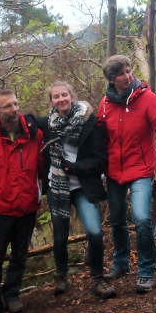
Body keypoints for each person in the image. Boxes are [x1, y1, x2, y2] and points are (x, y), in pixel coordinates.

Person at [97, 55, 156, 293]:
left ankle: (146, 270)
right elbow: (99, 138)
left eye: (129, 71)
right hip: (113, 171)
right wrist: (98, 166)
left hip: (140, 169)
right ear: (111, 79)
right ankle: (121, 263)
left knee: (141, 218)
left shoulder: (147, 99)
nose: (127, 76)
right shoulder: (106, 104)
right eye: (121, 74)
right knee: (117, 219)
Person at [36, 81, 116, 300]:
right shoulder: (49, 124)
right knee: (60, 236)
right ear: (51, 101)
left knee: (94, 232)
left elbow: (100, 159)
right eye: (56, 96)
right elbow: (27, 121)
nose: (61, 99)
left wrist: (75, 168)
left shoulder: (88, 122)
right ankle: (61, 276)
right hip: (57, 189)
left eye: (64, 95)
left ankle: (98, 278)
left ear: (72, 96)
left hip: (83, 187)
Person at [0, 88, 44, 313]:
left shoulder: (34, 134)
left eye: (16, 104)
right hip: (0, 210)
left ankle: (12, 295)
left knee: (20, 256)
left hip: (27, 207)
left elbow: (44, 166)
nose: (14, 109)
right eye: (8, 106)